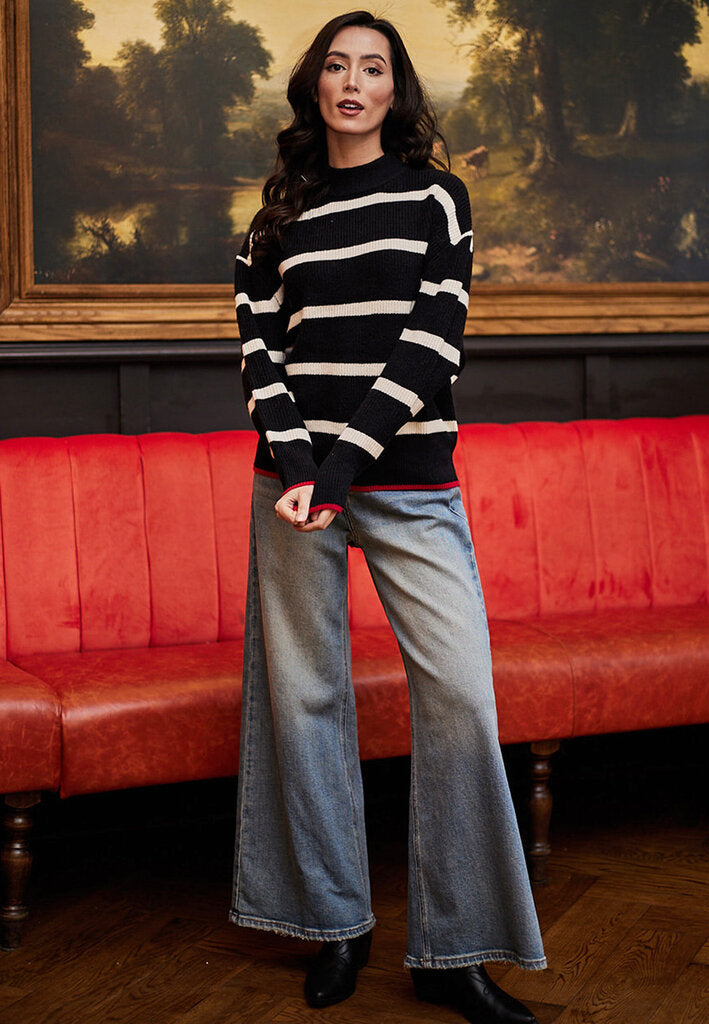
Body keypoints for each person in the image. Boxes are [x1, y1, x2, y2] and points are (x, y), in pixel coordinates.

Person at [230, 11, 545, 1023]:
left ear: (394, 91)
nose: (353, 82)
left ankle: (453, 954)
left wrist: (340, 466)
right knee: (303, 702)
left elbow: (432, 342)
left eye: (373, 67)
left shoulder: (435, 197)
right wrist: (300, 466)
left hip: (403, 480)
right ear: (315, 87)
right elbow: (259, 354)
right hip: (291, 491)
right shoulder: (272, 221)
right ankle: (335, 923)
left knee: (459, 698)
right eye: (336, 65)